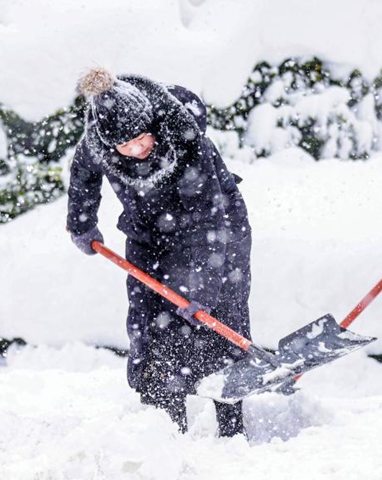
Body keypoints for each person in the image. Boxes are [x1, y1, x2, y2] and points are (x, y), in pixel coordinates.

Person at [67, 67, 252, 436]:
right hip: (148, 233)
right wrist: (81, 222)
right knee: (149, 324)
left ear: (152, 124)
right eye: (125, 146)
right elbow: (83, 175)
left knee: (218, 322)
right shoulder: (98, 140)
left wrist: (201, 292)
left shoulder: (185, 138)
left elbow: (207, 221)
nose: (135, 150)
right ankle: (164, 431)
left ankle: (231, 430)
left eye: (140, 139)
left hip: (217, 226)